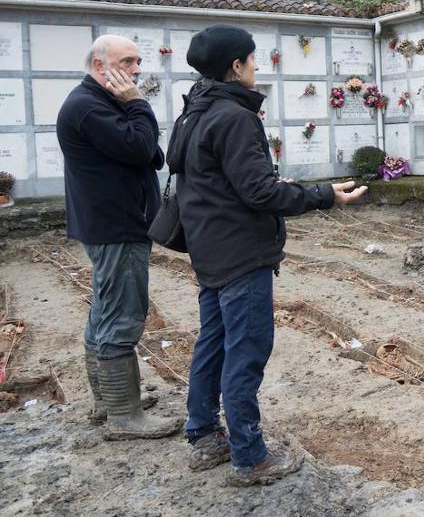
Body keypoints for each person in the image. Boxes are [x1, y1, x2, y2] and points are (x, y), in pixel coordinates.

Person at [170, 25, 368, 485]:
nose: (257, 67)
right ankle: (249, 455)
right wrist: (324, 196)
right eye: (253, 60)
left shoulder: (194, 110)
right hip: (240, 253)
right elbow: (258, 191)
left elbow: (217, 184)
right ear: (235, 66)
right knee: (246, 350)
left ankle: (203, 433)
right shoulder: (234, 117)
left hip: (209, 248)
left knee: (213, 342)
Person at [56, 35, 181, 440]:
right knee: (122, 315)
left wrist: (136, 120)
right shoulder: (88, 106)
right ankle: (124, 417)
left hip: (113, 223)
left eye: (138, 61)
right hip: (116, 226)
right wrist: (138, 105)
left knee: (105, 311)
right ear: (99, 66)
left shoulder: (102, 103)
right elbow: (142, 145)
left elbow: (153, 155)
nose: (136, 70)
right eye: (127, 62)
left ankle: (108, 402)